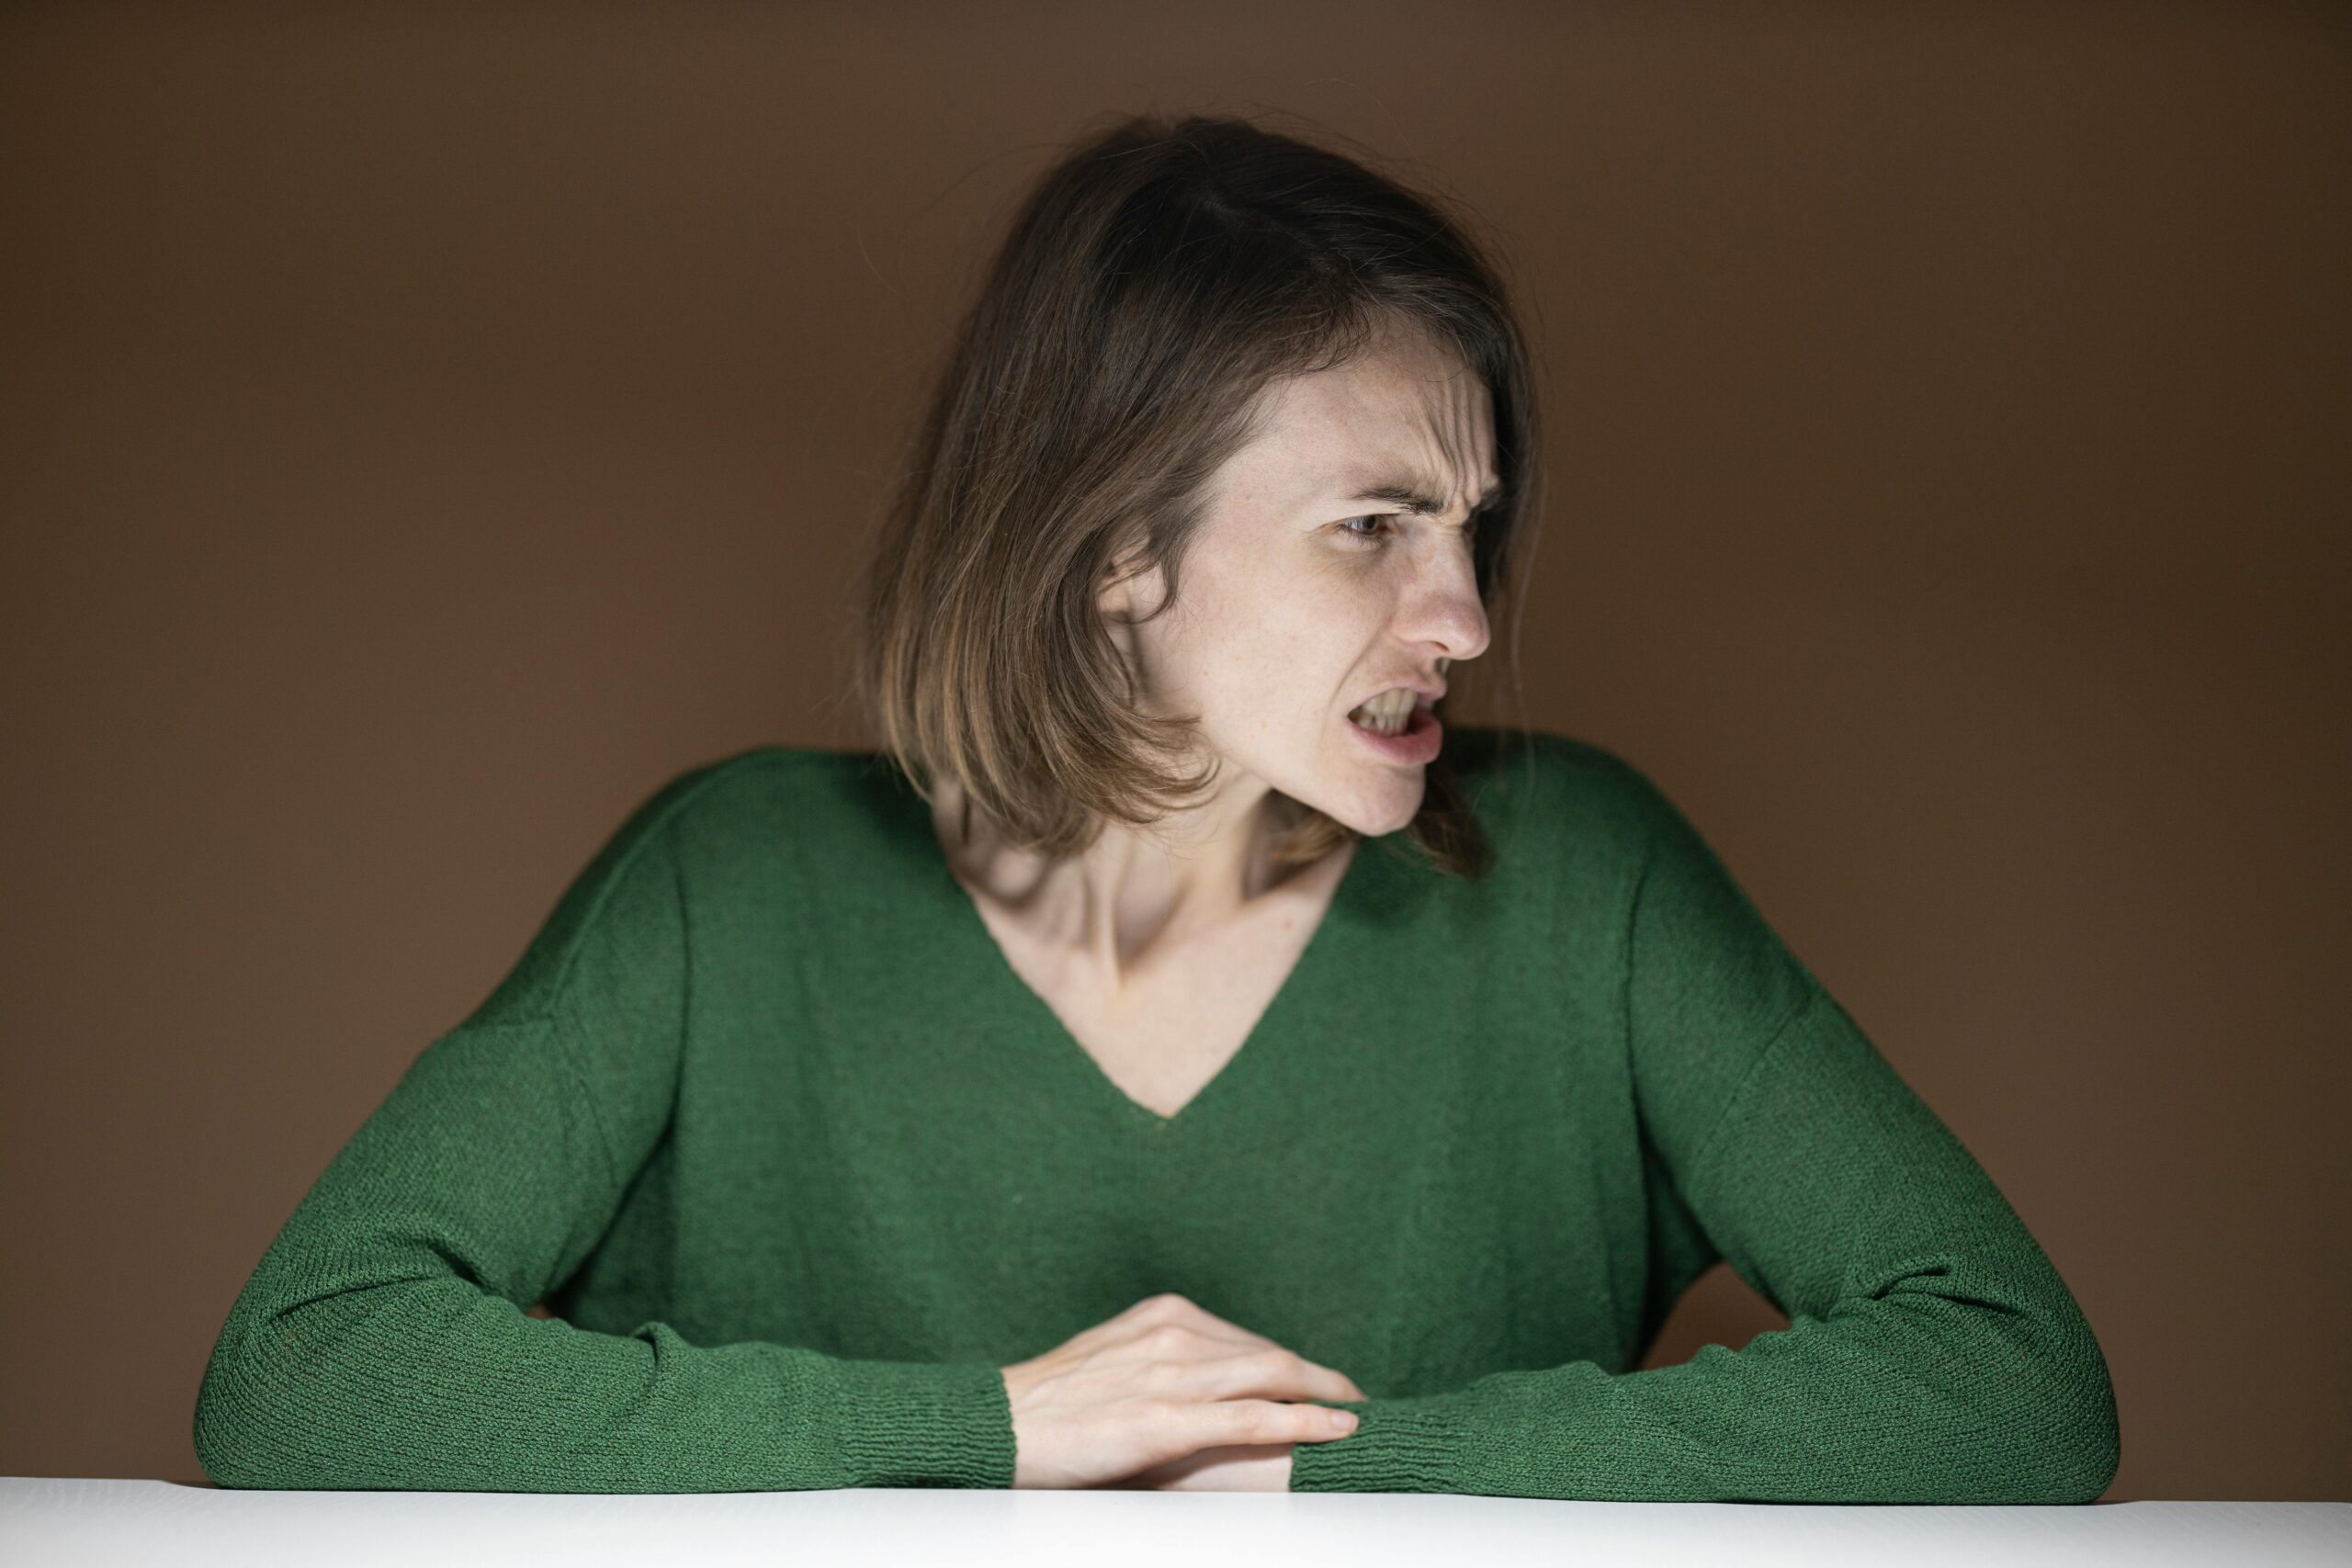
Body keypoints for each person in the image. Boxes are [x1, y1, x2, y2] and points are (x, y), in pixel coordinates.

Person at [192, 113, 2120, 1500]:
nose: (1458, 617)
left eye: (1469, 526)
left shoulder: (1587, 875)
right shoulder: (729, 883)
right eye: (1371, 525)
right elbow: (303, 1368)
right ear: (1116, 547)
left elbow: (2009, 1380)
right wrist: (992, 1427)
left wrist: (1348, 1463)